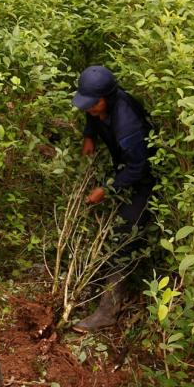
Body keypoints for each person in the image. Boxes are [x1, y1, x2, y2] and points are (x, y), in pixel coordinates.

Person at [70, 65, 156, 333]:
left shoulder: (126, 123)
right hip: (125, 169)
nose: (88, 109)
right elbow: (93, 115)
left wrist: (106, 190)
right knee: (107, 226)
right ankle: (96, 281)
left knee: (121, 239)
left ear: (106, 98)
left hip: (144, 180)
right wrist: (89, 135)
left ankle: (108, 311)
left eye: (92, 104)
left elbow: (138, 168)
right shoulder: (101, 104)